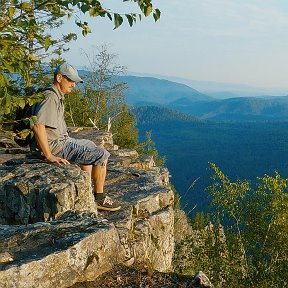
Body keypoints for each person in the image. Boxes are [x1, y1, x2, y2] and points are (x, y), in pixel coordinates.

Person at [32, 62, 121, 212]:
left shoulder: (56, 95)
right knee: (102, 154)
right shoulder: (50, 98)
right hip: (57, 146)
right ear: (59, 77)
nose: (74, 84)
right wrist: (49, 155)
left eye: (75, 81)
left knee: (90, 145)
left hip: (62, 141)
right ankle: (99, 198)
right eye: (71, 80)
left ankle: (85, 190)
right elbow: (37, 125)